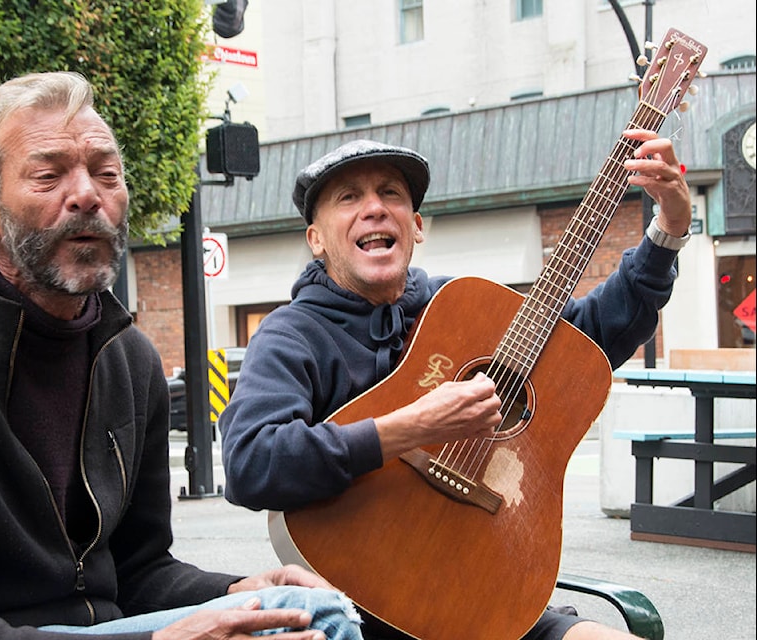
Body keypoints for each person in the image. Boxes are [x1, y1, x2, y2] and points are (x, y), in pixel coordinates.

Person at [0, 71, 364, 640]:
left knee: (314, 614)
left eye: (106, 174)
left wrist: (234, 593)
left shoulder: (130, 359)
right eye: (48, 175)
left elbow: (137, 570)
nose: (88, 194)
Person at [218, 137, 694, 640]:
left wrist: (669, 231)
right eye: (349, 198)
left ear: (416, 226)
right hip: (353, 608)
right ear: (316, 238)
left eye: (391, 194)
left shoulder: (463, 303)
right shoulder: (289, 333)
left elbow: (588, 337)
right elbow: (251, 461)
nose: (375, 208)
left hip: (486, 597)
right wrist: (409, 427)